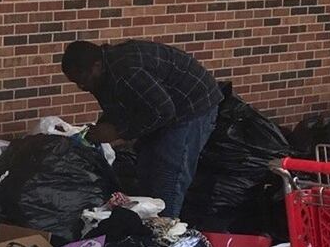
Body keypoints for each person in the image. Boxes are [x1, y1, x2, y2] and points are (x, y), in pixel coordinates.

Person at [59, 39, 222, 219]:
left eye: (83, 80)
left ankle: (165, 229)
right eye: (76, 82)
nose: (82, 87)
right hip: (164, 107)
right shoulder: (101, 75)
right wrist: (103, 127)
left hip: (191, 106)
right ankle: (147, 223)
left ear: (96, 65)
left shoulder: (127, 71)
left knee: (169, 172)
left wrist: (118, 132)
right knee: (147, 168)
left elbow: (163, 111)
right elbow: (119, 106)